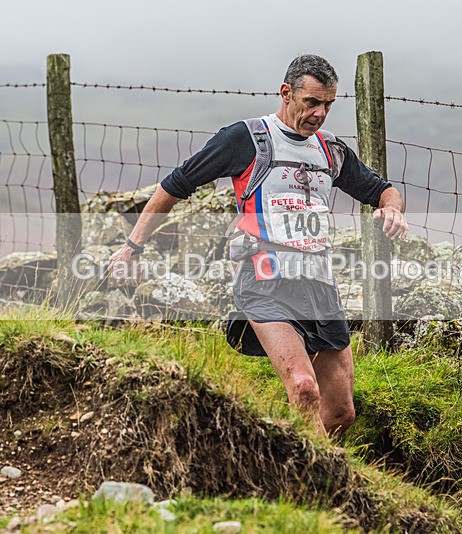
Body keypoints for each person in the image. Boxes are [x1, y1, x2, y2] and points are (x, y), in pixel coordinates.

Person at [107, 54, 408, 436]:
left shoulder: (330, 150)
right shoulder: (246, 139)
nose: (319, 113)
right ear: (286, 93)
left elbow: (383, 191)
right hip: (264, 280)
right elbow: (176, 184)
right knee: (303, 388)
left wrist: (392, 209)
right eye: (311, 102)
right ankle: (308, 470)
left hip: (319, 285)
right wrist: (132, 247)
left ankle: (303, 465)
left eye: (328, 104)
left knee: (340, 413)